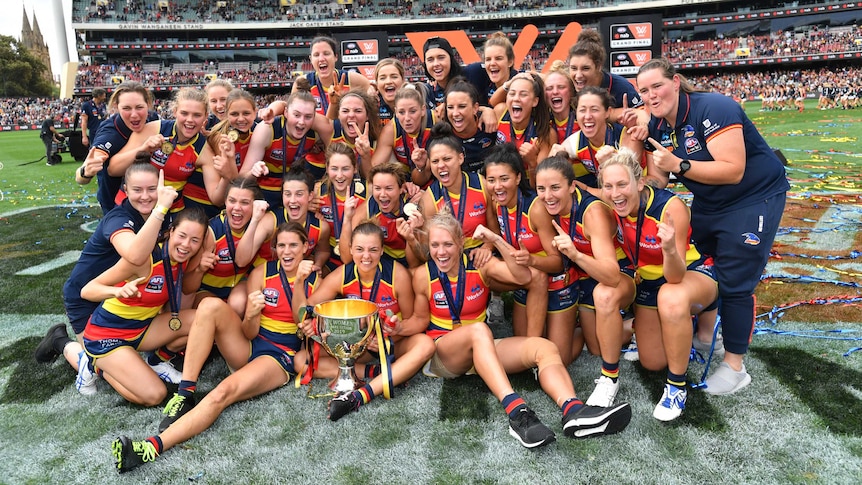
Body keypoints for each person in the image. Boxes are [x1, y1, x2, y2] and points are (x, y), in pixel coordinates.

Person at [404, 212, 631, 448]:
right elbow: (420, 319)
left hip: (482, 349)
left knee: (544, 348)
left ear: (461, 242)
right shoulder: (423, 276)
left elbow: (524, 276)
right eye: (435, 245)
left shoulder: (480, 264)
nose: (441, 252)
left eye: (448, 244)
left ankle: (574, 410)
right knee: (479, 331)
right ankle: (517, 412)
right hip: (446, 353)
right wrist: (397, 328)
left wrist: (496, 240)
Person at [111, 222, 318, 473]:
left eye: (294, 245)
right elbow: (248, 332)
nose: (287, 251)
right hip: (251, 345)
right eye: (281, 245)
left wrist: (298, 284)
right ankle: (185, 393)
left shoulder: (317, 279)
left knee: (222, 392)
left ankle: (150, 448)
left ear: (306, 247)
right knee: (209, 305)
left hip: (278, 358)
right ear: (274, 248)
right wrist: (251, 315)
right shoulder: (262, 273)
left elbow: (303, 322)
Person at [637, 58, 789, 396]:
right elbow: (660, 178)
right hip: (711, 202)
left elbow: (733, 169)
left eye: (656, 86)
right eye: (643, 91)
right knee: (701, 264)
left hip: (753, 197)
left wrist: (679, 163)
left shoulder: (715, 107)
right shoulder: (659, 124)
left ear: (676, 82)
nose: (651, 95)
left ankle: (735, 366)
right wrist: (636, 160)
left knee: (736, 278)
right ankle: (707, 335)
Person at [35, 160, 180, 395]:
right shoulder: (120, 217)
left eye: (152, 189)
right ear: (125, 190)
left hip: (117, 295)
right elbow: (134, 254)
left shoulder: (162, 213)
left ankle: (149, 358)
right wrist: (160, 209)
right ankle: (61, 342)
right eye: (137, 190)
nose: (145, 196)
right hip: (87, 297)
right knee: (95, 359)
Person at [600, 148, 719, 421]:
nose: (615, 193)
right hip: (649, 284)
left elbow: (675, 276)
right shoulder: (609, 206)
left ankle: (676, 386)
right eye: (608, 186)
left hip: (688, 274)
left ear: (639, 182)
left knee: (672, 296)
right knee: (652, 362)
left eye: (622, 184)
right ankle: (670, 327)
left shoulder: (669, 207)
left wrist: (668, 249)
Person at [292, 221, 436, 421]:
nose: (366, 256)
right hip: (357, 346)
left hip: (390, 343)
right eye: (359, 249)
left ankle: (359, 396)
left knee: (426, 345)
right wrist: (299, 286)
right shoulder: (343, 274)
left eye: (373, 250)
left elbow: (418, 320)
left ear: (382, 250)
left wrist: (393, 331)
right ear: (350, 249)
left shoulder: (397, 275)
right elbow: (304, 312)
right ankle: (377, 371)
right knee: (301, 360)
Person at [79, 207, 213, 406]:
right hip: (108, 335)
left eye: (195, 240)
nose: (186, 245)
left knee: (203, 320)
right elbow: (88, 290)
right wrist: (116, 291)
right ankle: (95, 366)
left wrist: (201, 267)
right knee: (155, 395)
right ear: (171, 231)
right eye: (182, 236)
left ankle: (157, 360)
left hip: (142, 329)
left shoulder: (183, 258)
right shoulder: (144, 258)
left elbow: (187, 288)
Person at [535, 156, 635, 383]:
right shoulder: (550, 207)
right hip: (586, 274)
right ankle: (590, 324)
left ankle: (639, 325)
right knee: (595, 347)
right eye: (541, 188)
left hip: (618, 274)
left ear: (572, 186)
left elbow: (611, 276)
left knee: (602, 347)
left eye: (555, 188)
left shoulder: (592, 213)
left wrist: (576, 255)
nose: (547, 196)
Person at [110, 87, 231, 216]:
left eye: (197, 115)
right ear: (175, 112)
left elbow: (216, 199)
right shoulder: (153, 129)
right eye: (184, 113)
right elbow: (113, 169)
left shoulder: (203, 149)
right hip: (132, 207)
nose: (190, 120)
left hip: (168, 213)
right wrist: (143, 149)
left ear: (205, 117)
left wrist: (227, 175)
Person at [484, 144, 560, 339]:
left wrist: (531, 260)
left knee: (560, 351)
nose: (497, 186)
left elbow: (558, 262)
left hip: (553, 280)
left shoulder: (536, 209)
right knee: (520, 338)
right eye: (491, 180)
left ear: (518, 177)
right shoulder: (496, 202)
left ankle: (579, 329)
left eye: (504, 179)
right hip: (526, 277)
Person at [75, 81, 160, 214]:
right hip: (116, 204)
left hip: (148, 201)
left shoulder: (153, 120)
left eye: (139, 107)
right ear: (116, 106)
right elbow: (83, 174)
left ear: (148, 104)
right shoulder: (110, 131)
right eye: (126, 108)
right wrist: (85, 172)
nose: (134, 114)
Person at [419, 122, 498, 256]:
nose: (441, 165)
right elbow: (428, 250)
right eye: (435, 161)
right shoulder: (429, 199)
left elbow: (495, 230)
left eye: (447, 159)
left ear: (460, 158)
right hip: (448, 259)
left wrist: (486, 248)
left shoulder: (481, 184)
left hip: (481, 257)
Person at [244, 88, 332, 206]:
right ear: (285, 113)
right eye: (296, 115)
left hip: (294, 192)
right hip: (265, 191)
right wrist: (253, 172)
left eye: (308, 117)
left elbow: (331, 128)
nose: (301, 122)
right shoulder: (267, 130)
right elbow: (242, 178)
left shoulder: (316, 132)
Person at [196, 177, 270, 316]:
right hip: (206, 290)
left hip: (238, 286)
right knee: (216, 312)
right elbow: (188, 279)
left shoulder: (258, 226)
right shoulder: (211, 232)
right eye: (232, 201)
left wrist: (254, 220)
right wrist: (200, 268)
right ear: (225, 201)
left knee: (238, 303)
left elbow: (242, 261)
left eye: (245, 202)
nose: (237, 207)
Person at [550, 86, 643, 196]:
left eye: (594, 110)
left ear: (607, 112)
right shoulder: (574, 142)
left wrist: (586, 188)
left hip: (640, 193)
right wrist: (552, 160)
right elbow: (549, 179)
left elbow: (627, 190)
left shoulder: (627, 136)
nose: (588, 116)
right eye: (582, 110)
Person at [186, 88, 259, 219]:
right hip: (207, 205)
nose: (241, 119)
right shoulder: (220, 139)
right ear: (227, 114)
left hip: (238, 201)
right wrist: (232, 162)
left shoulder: (259, 131)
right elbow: (232, 183)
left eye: (246, 113)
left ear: (255, 112)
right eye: (235, 114)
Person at [341, 162, 424, 268]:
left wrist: (411, 237)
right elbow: (346, 259)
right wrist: (347, 219)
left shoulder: (414, 205)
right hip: (380, 261)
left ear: (401, 188)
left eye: (389, 188)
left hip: (407, 263)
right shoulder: (369, 207)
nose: (383, 194)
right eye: (377, 188)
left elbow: (415, 264)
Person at [493, 72, 557, 187]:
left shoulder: (545, 134)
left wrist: (532, 162)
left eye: (523, 94)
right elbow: (492, 102)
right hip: (500, 185)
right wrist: (509, 83)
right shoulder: (500, 112)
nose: (516, 99)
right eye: (512, 94)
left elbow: (540, 186)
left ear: (535, 101)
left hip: (528, 190)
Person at [316, 143, 367, 271]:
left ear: (355, 168)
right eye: (334, 168)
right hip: (328, 257)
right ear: (327, 168)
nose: (339, 175)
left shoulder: (368, 192)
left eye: (345, 169)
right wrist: (311, 212)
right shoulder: (318, 190)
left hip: (358, 259)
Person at [372, 84, 435, 187]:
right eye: (401, 112)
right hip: (406, 181)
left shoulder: (435, 120)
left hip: (435, 177)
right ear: (396, 112)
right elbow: (374, 170)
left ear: (423, 110)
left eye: (413, 111)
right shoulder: (391, 129)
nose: (407, 118)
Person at [296, 36, 371, 116]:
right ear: (311, 59)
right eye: (316, 55)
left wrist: (372, 90)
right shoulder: (303, 82)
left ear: (335, 57)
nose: (321, 58)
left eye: (326, 53)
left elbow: (372, 101)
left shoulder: (353, 79)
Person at [442, 78, 497, 173]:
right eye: (450, 107)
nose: (455, 113)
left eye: (462, 106)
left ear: (475, 108)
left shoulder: (490, 124)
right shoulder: (443, 135)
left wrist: (488, 110)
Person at [372, 58, 406, 125]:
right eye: (382, 78)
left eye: (394, 77)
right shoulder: (371, 106)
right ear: (377, 83)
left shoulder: (415, 101)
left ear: (403, 80)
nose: (388, 81)